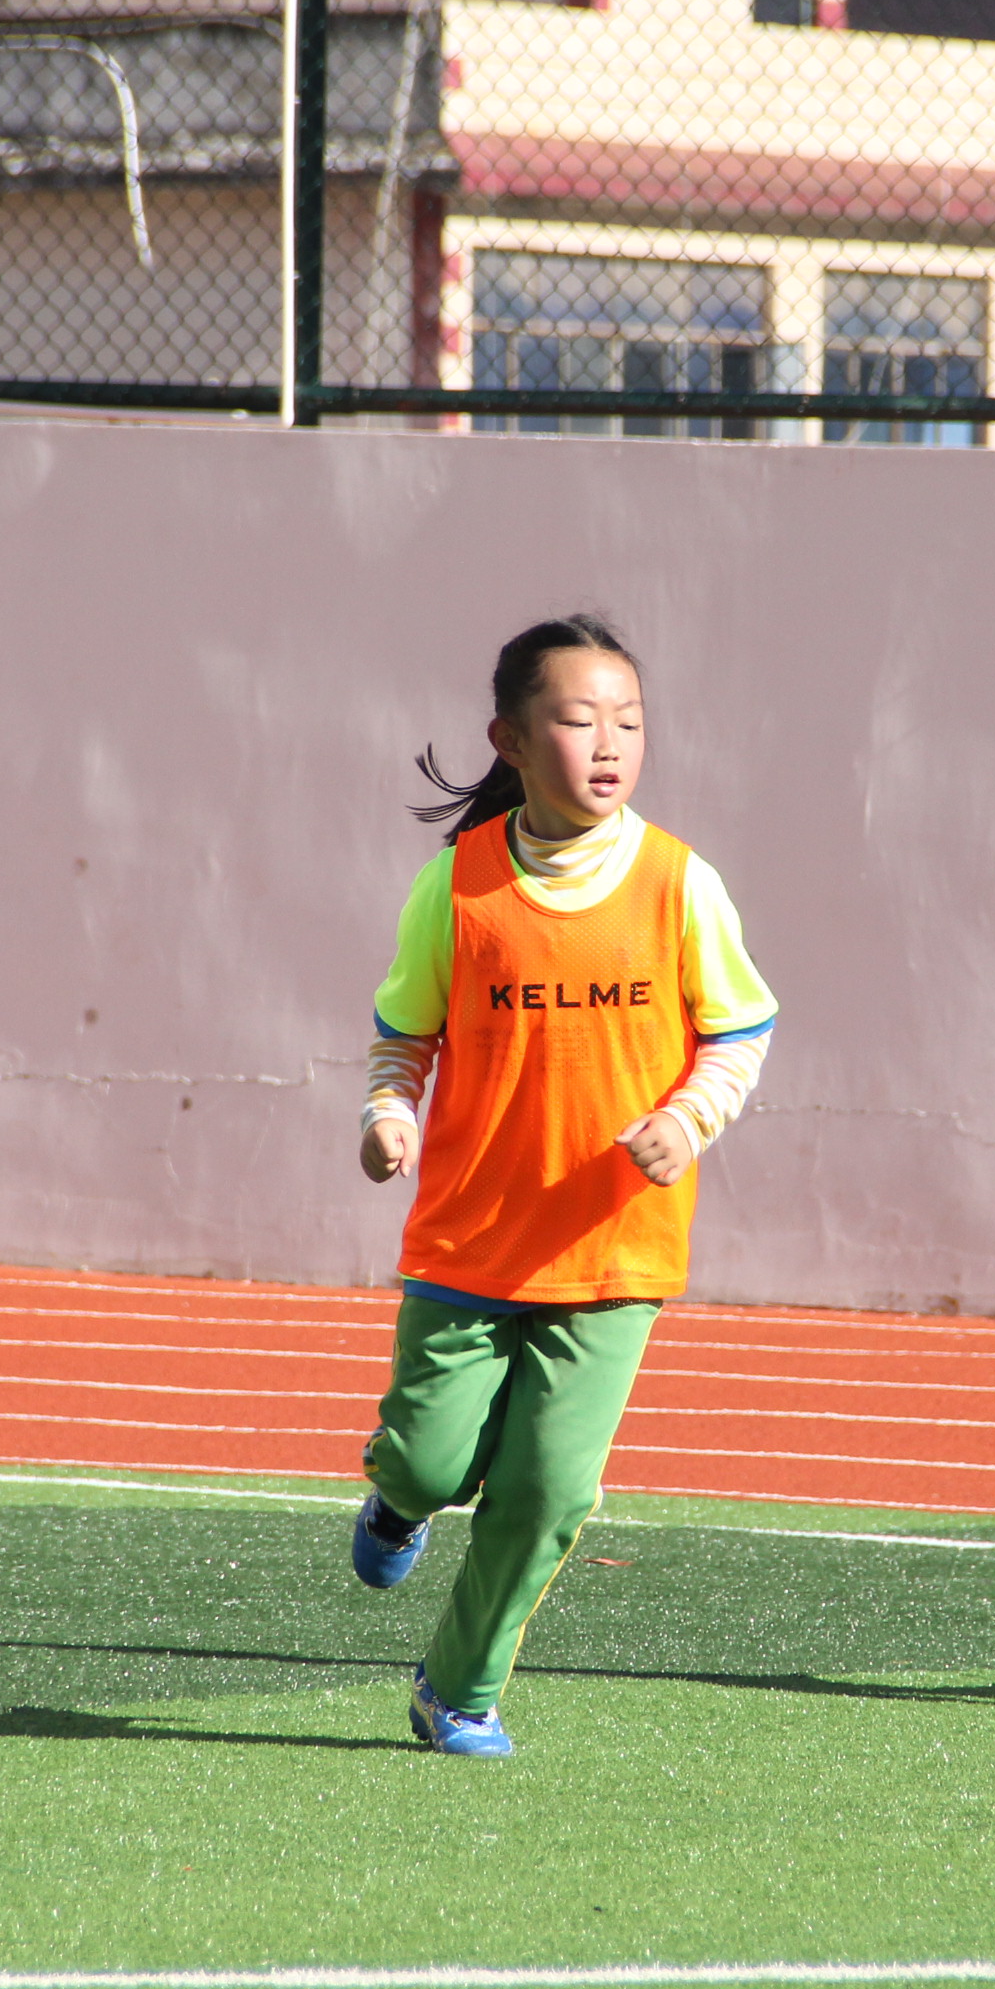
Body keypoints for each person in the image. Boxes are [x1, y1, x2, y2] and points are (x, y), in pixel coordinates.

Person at [350, 615, 777, 1756]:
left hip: (612, 1253)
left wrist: (687, 1122)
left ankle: (460, 1688)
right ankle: (398, 1495)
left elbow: (739, 1033)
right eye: (579, 719)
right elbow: (404, 1038)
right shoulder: (459, 887)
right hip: (470, 1244)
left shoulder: (683, 884)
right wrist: (388, 1114)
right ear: (511, 738)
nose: (609, 742)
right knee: (437, 1460)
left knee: (546, 1491)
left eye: (629, 721)